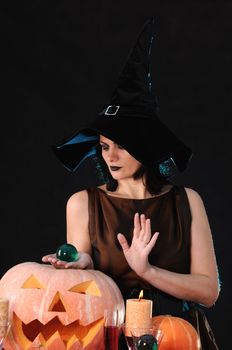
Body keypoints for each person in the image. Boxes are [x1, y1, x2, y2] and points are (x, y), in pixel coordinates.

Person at [42, 17, 220, 349]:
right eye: (105, 146)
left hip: (178, 337)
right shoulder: (83, 203)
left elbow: (208, 291)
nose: (111, 157)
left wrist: (147, 271)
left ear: (146, 146)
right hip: (110, 333)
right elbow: (86, 268)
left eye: (122, 146)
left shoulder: (187, 201)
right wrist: (79, 264)